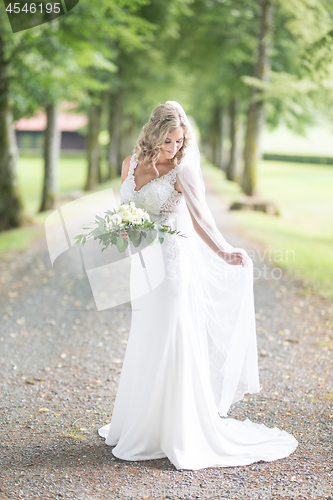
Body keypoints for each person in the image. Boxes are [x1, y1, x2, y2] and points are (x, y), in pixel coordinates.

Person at [98, 101, 298, 470]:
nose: (174, 147)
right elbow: (123, 209)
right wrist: (121, 227)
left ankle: (174, 428)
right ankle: (138, 421)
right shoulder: (129, 165)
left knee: (171, 335)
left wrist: (225, 251)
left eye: (179, 140)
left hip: (172, 265)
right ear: (153, 134)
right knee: (145, 335)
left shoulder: (181, 170)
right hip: (140, 266)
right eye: (169, 140)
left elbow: (202, 217)